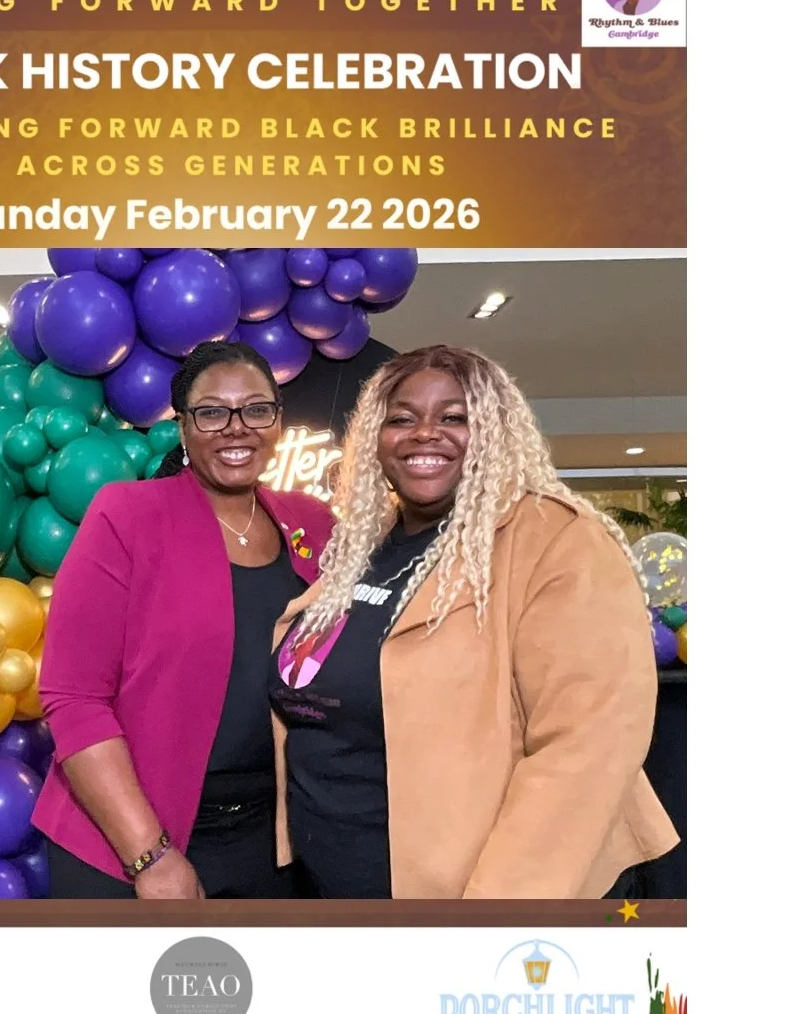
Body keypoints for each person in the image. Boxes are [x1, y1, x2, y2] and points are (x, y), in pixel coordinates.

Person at [268, 345, 679, 899]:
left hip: (475, 900)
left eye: (455, 417)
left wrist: (494, 913)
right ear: (375, 439)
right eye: (402, 419)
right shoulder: (369, 545)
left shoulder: (557, 539)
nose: (425, 433)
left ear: (494, 431)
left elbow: (588, 747)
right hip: (338, 883)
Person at [34, 341, 335, 899]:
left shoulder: (314, 524)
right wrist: (150, 856)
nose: (236, 428)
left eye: (256, 409)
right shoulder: (126, 516)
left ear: (277, 419)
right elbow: (73, 699)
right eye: (212, 412)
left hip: (271, 843)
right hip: (125, 840)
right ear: (182, 426)